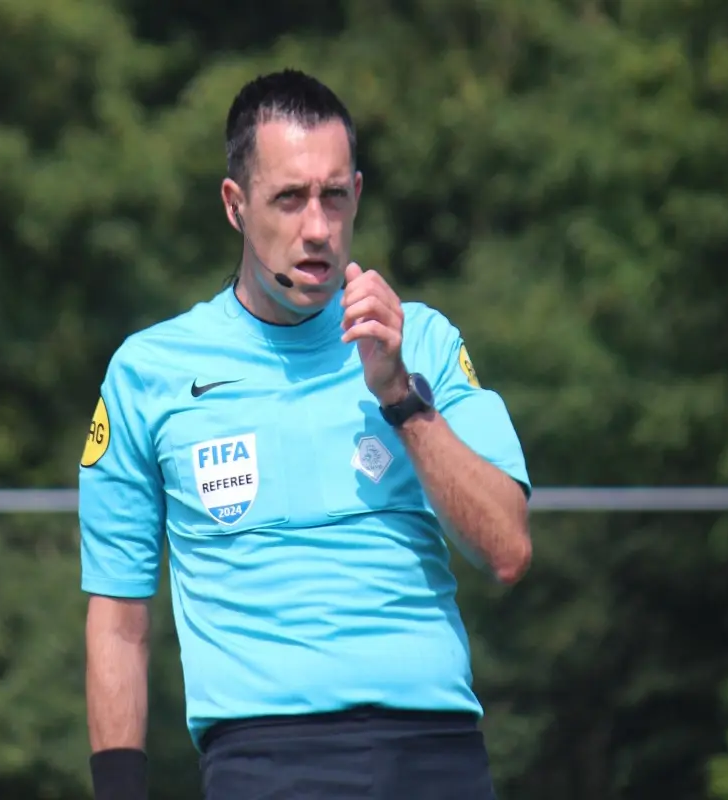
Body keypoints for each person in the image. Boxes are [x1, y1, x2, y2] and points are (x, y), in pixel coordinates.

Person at [78, 68, 533, 800]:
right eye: (289, 198)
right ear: (235, 204)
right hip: (265, 759)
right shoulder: (148, 372)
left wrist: (399, 395)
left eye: (334, 196)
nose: (317, 228)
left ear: (359, 194)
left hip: (436, 752)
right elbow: (119, 620)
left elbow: (507, 548)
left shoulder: (422, 342)